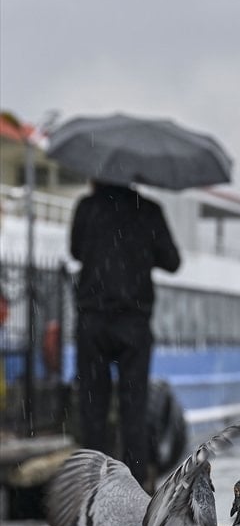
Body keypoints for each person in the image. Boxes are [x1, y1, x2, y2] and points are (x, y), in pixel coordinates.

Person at [70, 180, 180, 487]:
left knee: (93, 408)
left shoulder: (87, 207)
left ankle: (92, 486)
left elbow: (76, 250)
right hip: (133, 322)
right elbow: (172, 261)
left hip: (92, 320)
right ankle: (136, 483)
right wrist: (143, 249)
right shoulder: (148, 211)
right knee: (135, 406)